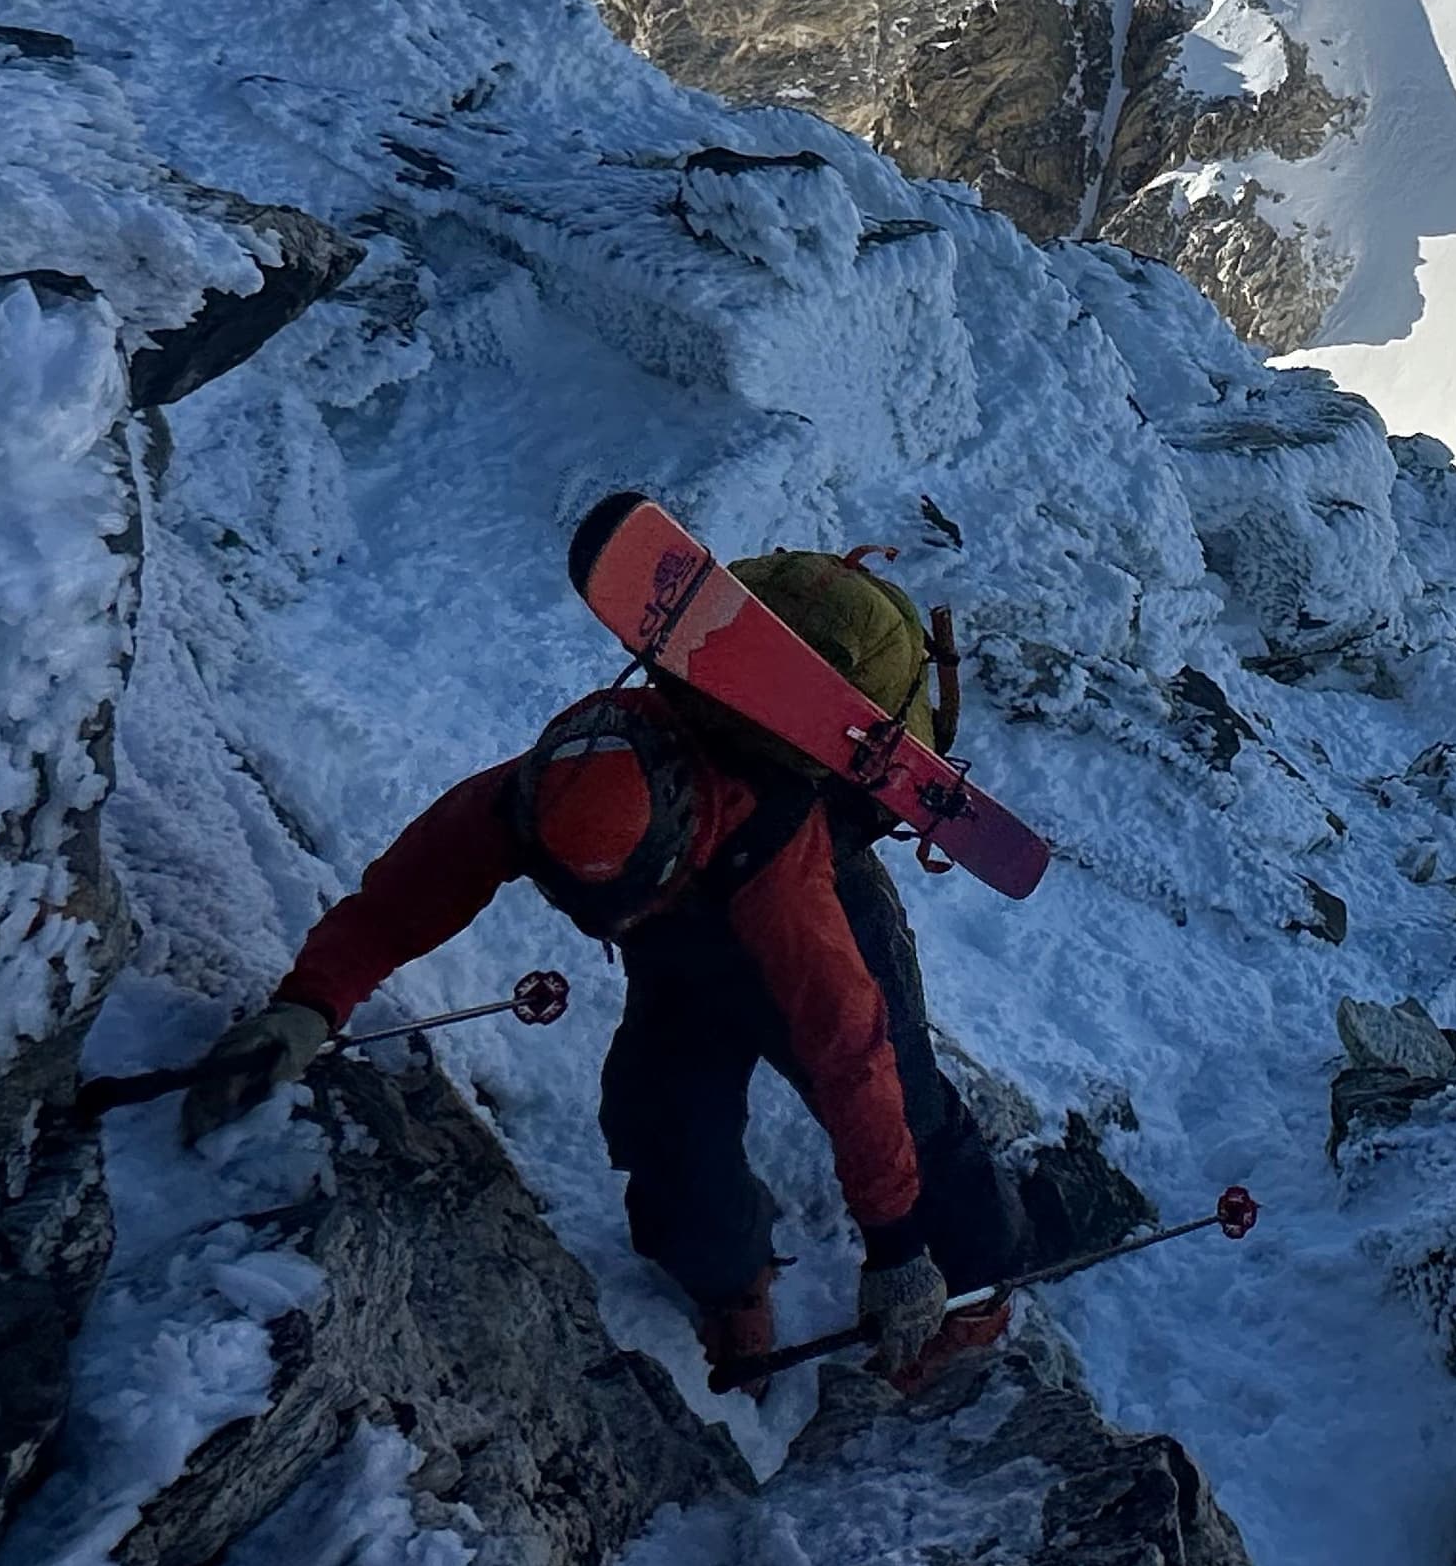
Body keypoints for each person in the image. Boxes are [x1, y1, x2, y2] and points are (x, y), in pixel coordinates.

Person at [186, 545, 1035, 1379]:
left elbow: (852, 1055)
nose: (607, 915)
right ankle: (727, 1281)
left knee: (913, 1117)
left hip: (815, 919)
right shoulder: (527, 797)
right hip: (682, 958)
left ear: (674, 846)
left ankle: (973, 1298)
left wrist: (892, 1248)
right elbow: (398, 905)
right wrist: (306, 1006)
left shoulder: (782, 883)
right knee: (662, 1131)